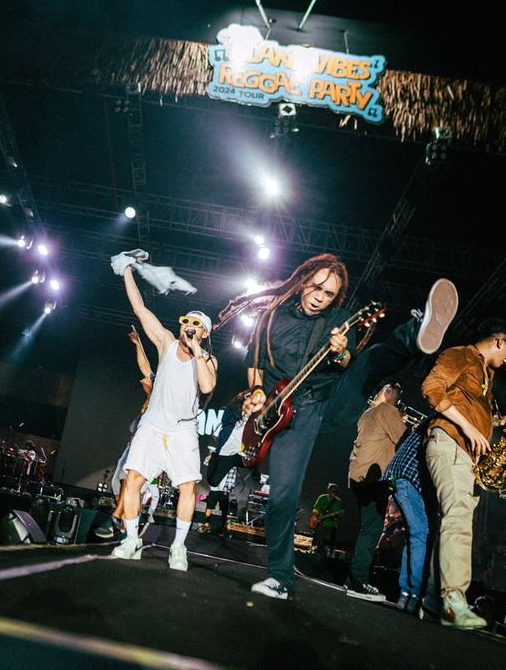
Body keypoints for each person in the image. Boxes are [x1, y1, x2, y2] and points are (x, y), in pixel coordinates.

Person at [217, 252, 458, 600]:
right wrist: (257, 392)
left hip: (324, 402)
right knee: (282, 497)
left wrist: (341, 352)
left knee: (370, 359)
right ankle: (281, 578)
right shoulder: (272, 317)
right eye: (316, 287)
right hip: (280, 414)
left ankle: (415, 332)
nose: (319, 296)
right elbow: (255, 362)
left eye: (329, 294)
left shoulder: (341, 321)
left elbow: (346, 363)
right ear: (303, 281)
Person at [108, 261, 217, 571]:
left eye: (196, 325)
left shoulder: (208, 359)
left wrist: (198, 352)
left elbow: (207, 385)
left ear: (204, 333)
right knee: (133, 480)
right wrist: (128, 270)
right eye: (186, 322)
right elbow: (140, 309)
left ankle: (178, 548)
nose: (189, 327)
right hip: (153, 425)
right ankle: (131, 540)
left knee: (188, 488)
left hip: (184, 432)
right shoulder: (166, 342)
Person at [420, 318, 506, 628]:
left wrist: (498, 421)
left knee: (455, 518)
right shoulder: (461, 355)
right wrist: (467, 425)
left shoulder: (486, 375)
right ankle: (453, 599)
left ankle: (434, 603)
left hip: (466, 453)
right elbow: (431, 389)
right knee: (459, 516)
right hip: (450, 441)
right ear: (500, 342)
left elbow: (470, 406)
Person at [345, 382, 407, 601]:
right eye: (398, 391)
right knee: (371, 531)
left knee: (366, 528)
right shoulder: (387, 410)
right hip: (374, 479)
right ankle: (358, 581)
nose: (400, 396)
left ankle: (354, 577)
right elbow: (405, 439)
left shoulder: (367, 413)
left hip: (358, 477)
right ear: (388, 391)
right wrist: (401, 420)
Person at [94, 326, 156, 540]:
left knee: (128, 480)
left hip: (150, 443)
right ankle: (128, 528)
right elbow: (146, 368)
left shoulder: (163, 394)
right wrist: (138, 343)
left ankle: (115, 518)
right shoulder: (154, 389)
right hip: (135, 442)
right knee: (121, 483)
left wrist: (150, 392)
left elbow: (153, 389)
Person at [385, 417, 431, 615]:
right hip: (409, 478)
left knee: (414, 536)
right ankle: (413, 594)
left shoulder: (428, 420)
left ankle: (406, 594)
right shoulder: (443, 419)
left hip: (397, 477)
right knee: (420, 534)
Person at [308, 483, 344, 553]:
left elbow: (337, 515)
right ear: (328, 491)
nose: (334, 493)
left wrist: (337, 514)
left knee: (324, 540)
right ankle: (317, 551)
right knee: (317, 538)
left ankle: (325, 553)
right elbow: (316, 508)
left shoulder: (338, 502)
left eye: (336, 492)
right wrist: (316, 516)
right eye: (332, 491)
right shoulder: (322, 497)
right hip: (319, 523)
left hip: (330, 525)